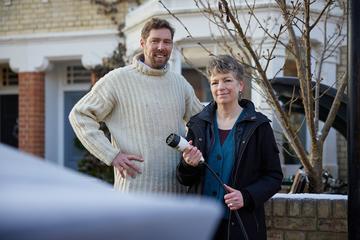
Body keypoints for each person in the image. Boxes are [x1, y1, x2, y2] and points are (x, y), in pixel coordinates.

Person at [69, 18, 203, 193]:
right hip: (134, 191)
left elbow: (202, 122)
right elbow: (80, 115)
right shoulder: (117, 79)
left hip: (176, 193)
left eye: (167, 42)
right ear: (142, 43)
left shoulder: (180, 84)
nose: (161, 47)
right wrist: (112, 155)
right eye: (155, 41)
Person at [176, 55, 283, 239]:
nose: (221, 87)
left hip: (241, 226)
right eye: (215, 82)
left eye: (227, 80)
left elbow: (274, 177)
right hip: (201, 225)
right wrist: (188, 165)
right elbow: (184, 178)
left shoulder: (259, 126)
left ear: (240, 85)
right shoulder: (197, 124)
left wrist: (246, 196)